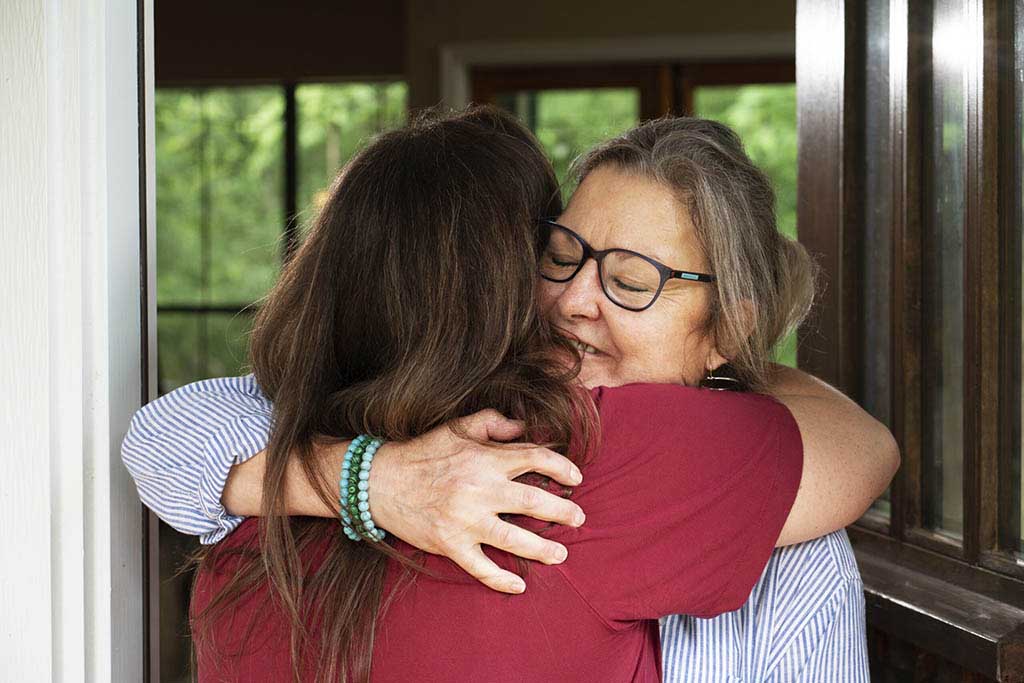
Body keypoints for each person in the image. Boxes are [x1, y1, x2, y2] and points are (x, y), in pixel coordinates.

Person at [123, 108, 896, 681]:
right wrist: (378, 480)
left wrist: (350, 475)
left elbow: (165, 435)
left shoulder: (246, 510)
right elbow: (869, 448)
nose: (574, 301)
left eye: (631, 280)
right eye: (558, 257)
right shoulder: (572, 457)